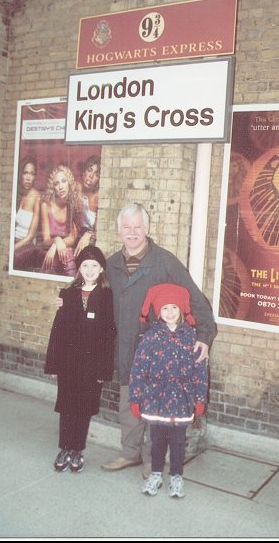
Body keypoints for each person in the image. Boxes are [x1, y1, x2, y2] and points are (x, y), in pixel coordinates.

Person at [100, 203, 217, 477]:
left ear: (147, 229)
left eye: (137, 227)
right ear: (119, 231)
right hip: (125, 350)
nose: (132, 233)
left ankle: (153, 460)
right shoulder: (111, 265)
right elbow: (90, 289)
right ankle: (129, 454)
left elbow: (196, 299)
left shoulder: (164, 262)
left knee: (155, 406)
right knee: (128, 404)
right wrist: (68, 297)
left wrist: (204, 336)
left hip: (159, 352)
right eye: (126, 228)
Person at [129, 283, 208, 498]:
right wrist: (135, 399)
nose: (170, 313)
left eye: (174, 307)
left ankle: (176, 476)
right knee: (157, 439)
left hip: (182, 399)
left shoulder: (192, 337)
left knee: (177, 441)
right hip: (156, 398)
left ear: (181, 309)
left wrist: (199, 398)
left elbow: (200, 370)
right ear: (158, 311)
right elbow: (138, 369)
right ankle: (155, 474)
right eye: (165, 308)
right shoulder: (150, 338)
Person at [44, 245, 116, 473]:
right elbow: (58, 331)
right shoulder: (68, 294)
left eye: (94, 265)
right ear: (79, 268)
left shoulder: (107, 297)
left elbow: (108, 336)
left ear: (101, 268)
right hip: (68, 364)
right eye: (85, 265)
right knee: (67, 407)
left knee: (84, 408)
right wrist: (53, 363)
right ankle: (64, 447)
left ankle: (77, 450)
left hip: (92, 367)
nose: (89, 269)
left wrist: (104, 370)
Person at [40, 165, 82, 276]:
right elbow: (45, 240)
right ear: (53, 187)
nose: (60, 187)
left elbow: (73, 238)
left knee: (68, 254)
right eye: (56, 183)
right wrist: (56, 241)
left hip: (65, 250)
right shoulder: (46, 205)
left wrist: (57, 244)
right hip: (49, 251)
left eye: (63, 181)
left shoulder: (73, 203)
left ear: (69, 183)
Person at [13, 156, 41, 269]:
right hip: (14, 241)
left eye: (32, 174)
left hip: (26, 245)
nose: (28, 178)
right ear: (20, 174)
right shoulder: (18, 194)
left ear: (35, 177)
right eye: (25, 173)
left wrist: (12, 248)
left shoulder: (36, 197)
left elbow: (30, 237)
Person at [74, 155, 101, 258]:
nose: (91, 176)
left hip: (92, 239)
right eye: (89, 170)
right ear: (84, 171)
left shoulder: (98, 197)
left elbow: (98, 230)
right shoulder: (76, 189)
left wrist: (88, 234)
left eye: (96, 174)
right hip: (76, 235)